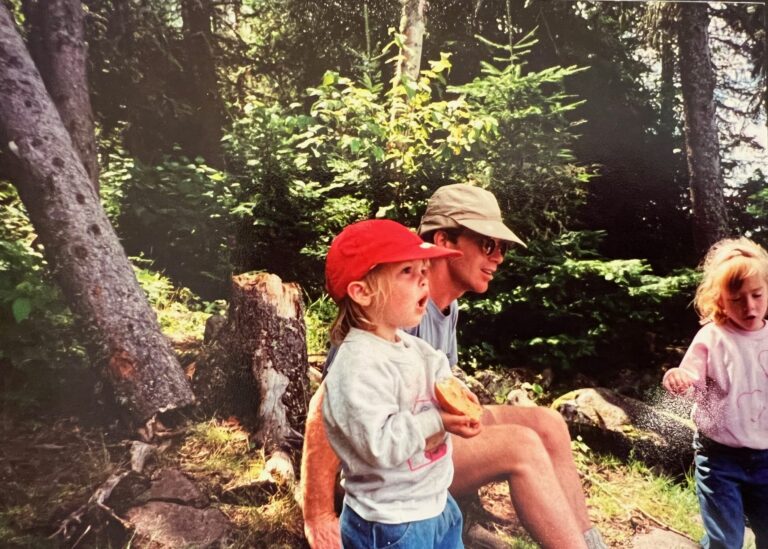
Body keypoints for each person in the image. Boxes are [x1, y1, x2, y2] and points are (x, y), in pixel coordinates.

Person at [302, 184, 604, 549]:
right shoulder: (392, 311)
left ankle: (591, 543)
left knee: (550, 423)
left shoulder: (446, 308)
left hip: (424, 427)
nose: (499, 258)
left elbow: (439, 384)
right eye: (487, 244)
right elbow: (326, 408)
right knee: (521, 445)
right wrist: (318, 512)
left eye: (503, 248)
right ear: (445, 240)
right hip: (386, 471)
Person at [322, 218, 482, 548]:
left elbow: (435, 366)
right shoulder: (357, 366)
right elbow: (379, 445)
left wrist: (456, 393)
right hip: (391, 522)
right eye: (407, 272)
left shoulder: (406, 345)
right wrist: (437, 420)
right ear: (362, 292)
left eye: (424, 269)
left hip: (434, 503)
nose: (424, 278)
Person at [662, 237, 768, 549]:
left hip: (766, 458)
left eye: (757, 295)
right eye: (736, 299)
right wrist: (678, 377)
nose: (749, 306)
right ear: (720, 301)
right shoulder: (712, 336)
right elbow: (690, 381)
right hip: (720, 458)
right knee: (725, 540)